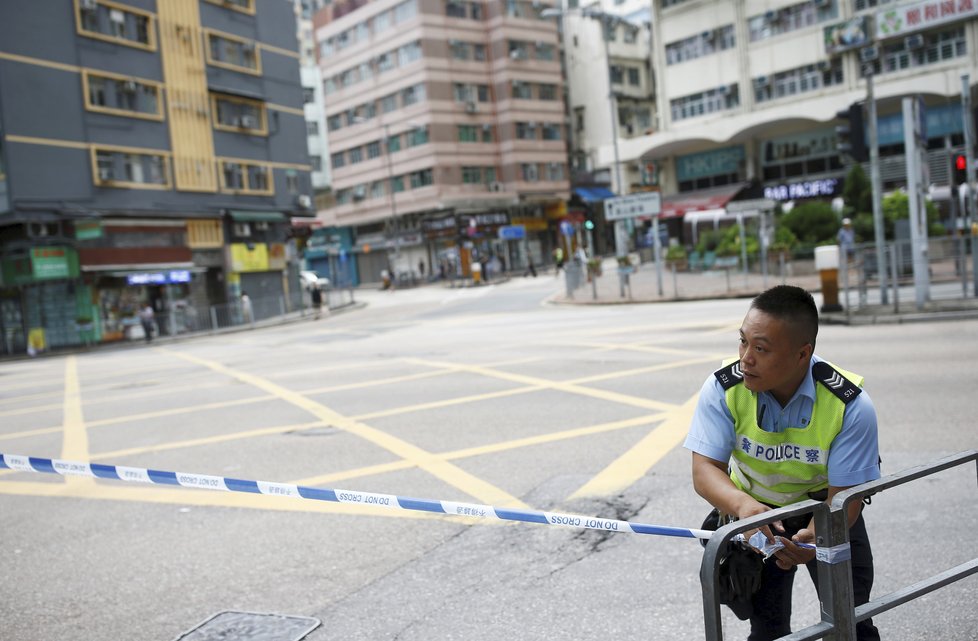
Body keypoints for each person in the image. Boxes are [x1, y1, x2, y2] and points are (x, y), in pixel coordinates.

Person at [684, 285, 880, 641]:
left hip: (827, 513)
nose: (745, 358)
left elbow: (844, 498)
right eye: (743, 342)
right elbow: (704, 470)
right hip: (756, 519)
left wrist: (816, 538)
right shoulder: (723, 388)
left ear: (802, 353)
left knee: (852, 622)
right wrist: (742, 506)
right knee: (768, 630)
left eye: (761, 349)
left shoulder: (849, 404)